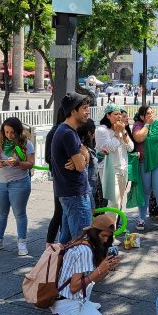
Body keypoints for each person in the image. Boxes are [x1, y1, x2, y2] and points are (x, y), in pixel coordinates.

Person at [51, 214, 122, 315]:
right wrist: (99, 270)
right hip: (68, 305)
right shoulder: (85, 251)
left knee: (93, 286)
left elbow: (94, 279)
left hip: (65, 299)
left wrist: (106, 269)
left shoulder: (84, 240)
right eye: (103, 236)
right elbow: (74, 287)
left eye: (108, 237)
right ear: (95, 233)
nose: (106, 240)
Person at [0, 117, 35, 256]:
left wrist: (17, 163)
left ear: (19, 132)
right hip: (0, 183)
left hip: (19, 183)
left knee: (19, 214)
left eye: (12, 132)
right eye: (6, 132)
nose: (9, 135)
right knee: (1, 214)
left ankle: (22, 243)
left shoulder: (26, 144)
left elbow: (30, 163)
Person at [52, 94, 93, 244]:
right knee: (81, 240)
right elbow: (81, 166)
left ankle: (59, 266)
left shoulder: (67, 131)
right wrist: (83, 155)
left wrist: (84, 152)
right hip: (75, 194)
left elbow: (82, 159)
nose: (88, 112)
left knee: (66, 240)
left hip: (70, 193)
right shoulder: (68, 133)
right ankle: (82, 267)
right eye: (84, 108)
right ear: (73, 111)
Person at [132, 105, 158, 232]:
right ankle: (141, 218)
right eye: (148, 114)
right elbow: (139, 138)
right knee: (144, 191)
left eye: (152, 113)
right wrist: (147, 125)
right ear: (142, 116)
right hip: (144, 162)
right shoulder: (138, 125)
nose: (151, 115)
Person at [96, 105, 134, 223]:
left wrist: (124, 132)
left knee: (118, 204)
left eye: (120, 114)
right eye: (115, 114)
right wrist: (117, 133)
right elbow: (109, 148)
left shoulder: (121, 129)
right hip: (109, 170)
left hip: (123, 169)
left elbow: (131, 148)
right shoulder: (101, 130)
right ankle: (107, 233)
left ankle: (110, 232)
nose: (119, 117)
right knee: (114, 202)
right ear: (108, 116)